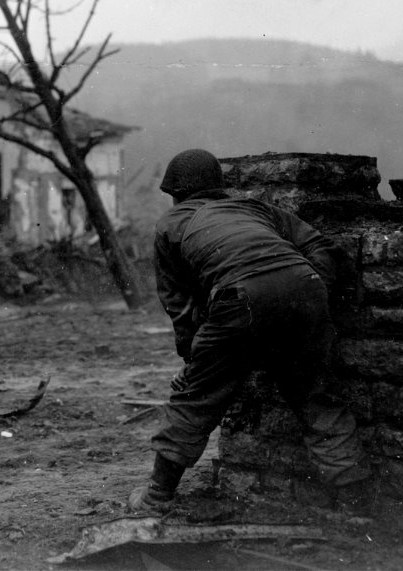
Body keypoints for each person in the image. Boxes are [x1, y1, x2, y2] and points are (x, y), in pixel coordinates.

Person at [128, 148, 370, 512]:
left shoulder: (170, 224)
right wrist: (312, 285)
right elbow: (321, 246)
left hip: (238, 298)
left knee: (197, 399)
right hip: (305, 287)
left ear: (175, 194)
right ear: (219, 188)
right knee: (317, 395)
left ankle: (157, 496)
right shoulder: (255, 208)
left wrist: (193, 363)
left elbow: (179, 305)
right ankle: (355, 504)